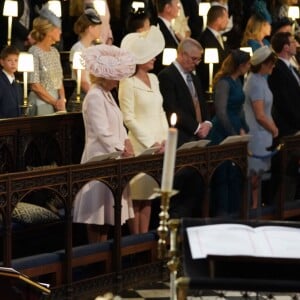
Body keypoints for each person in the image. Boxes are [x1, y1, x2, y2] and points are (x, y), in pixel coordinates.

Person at [73, 44, 136, 242]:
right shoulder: (93, 96)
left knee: (108, 214)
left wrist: (127, 140)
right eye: (115, 77)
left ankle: (104, 259)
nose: (117, 82)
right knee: (96, 214)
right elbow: (102, 131)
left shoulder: (107, 94)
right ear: (105, 76)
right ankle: (95, 258)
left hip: (112, 158)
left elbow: (118, 123)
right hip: (99, 158)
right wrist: (121, 149)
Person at [119, 26, 168, 234]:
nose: (155, 58)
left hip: (159, 144)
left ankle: (145, 244)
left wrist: (166, 139)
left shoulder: (155, 79)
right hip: (140, 146)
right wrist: (150, 142)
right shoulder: (127, 82)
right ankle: (135, 244)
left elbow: (161, 111)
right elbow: (128, 117)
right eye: (150, 55)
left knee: (149, 196)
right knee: (137, 197)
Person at [158, 38, 212, 218]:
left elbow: (201, 103)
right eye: (194, 59)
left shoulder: (194, 77)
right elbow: (172, 108)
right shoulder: (167, 76)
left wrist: (207, 123)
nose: (197, 64)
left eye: (199, 59)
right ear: (182, 55)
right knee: (179, 192)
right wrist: (197, 127)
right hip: (181, 138)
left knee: (196, 189)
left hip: (196, 139)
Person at [208, 50, 251, 216]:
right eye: (247, 64)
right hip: (222, 131)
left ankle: (234, 211)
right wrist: (233, 133)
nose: (248, 67)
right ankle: (222, 212)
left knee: (235, 173)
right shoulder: (224, 82)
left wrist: (244, 128)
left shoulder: (237, 81)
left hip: (236, 126)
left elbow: (239, 109)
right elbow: (221, 111)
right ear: (240, 65)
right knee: (223, 173)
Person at [243, 46, 278, 208]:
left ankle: (256, 208)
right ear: (263, 64)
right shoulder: (255, 82)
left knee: (259, 178)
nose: (273, 66)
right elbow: (260, 114)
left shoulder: (261, 79)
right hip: (257, 135)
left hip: (263, 135)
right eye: (271, 63)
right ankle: (253, 210)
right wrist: (274, 129)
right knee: (254, 178)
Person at [268, 31, 300, 203]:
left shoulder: (291, 67)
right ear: (286, 47)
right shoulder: (278, 70)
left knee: (292, 172)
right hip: (288, 129)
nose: (297, 44)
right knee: (287, 172)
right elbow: (284, 102)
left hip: (294, 126)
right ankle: (283, 206)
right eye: (293, 42)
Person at [27, 6, 66, 116]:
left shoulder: (55, 52)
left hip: (58, 104)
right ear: (49, 31)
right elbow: (35, 85)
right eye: (58, 29)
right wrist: (55, 102)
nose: (60, 32)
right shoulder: (34, 51)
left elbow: (60, 81)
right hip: (41, 103)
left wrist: (62, 99)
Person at [68, 8, 102, 111]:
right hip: (83, 94)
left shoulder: (94, 47)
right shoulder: (78, 49)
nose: (100, 30)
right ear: (90, 28)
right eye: (97, 28)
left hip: (94, 91)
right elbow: (83, 80)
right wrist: (97, 97)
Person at [197, 5, 230, 93]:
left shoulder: (220, 37)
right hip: (211, 85)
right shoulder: (204, 38)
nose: (228, 21)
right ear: (219, 20)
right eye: (226, 18)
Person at [154, 0, 180, 73]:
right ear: (167, 8)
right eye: (177, 5)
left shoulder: (170, 27)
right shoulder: (157, 26)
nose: (179, 7)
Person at [0, 45, 22, 118]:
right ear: (2, 62)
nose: (13, 63)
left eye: (16, 60)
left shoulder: (17, 82)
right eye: (9, 60)